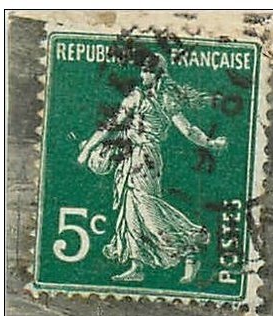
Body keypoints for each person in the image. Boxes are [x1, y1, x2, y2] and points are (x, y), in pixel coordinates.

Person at [74, 50, 226, 284]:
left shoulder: (166, 100)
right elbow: (111, 126)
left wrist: (210, 143)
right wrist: (87, 149)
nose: (143, 74)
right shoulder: (134, 97)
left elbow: (187, 129)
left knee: (148, 210)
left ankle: (189, 249)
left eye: (149, 71)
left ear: (159, 74)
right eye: (143, 70)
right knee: (130, 212)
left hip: (147, 158)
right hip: (129, 156)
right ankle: (137, 266)